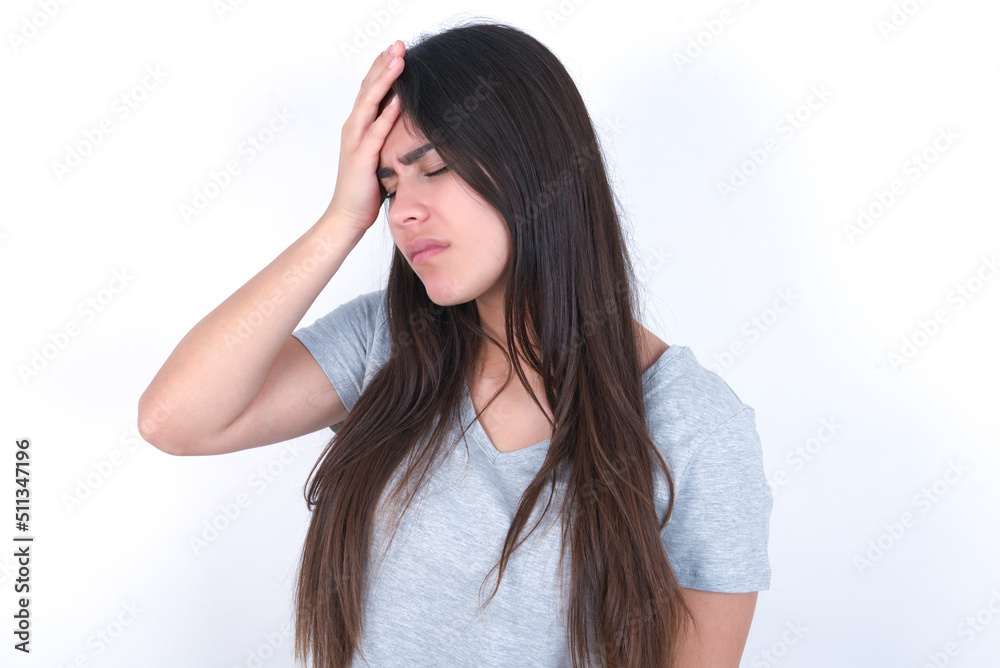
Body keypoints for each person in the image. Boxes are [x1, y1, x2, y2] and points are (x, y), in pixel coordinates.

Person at [138, 20, 772, 668]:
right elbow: (176, 419)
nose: (401, 212)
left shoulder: (696, 428)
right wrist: (340, 220)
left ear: (535, 165)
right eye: (388, 186)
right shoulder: (388, 342)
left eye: (432, 168)